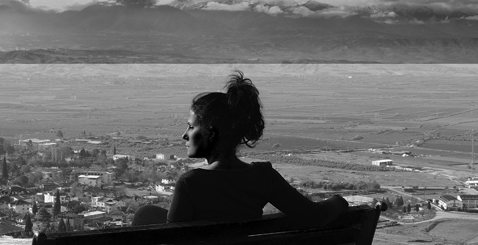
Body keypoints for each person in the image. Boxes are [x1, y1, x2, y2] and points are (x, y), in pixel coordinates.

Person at [133, 71, 347, 227]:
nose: (184, 135)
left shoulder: (191, 183)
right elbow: (315, 216)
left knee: (145, 214)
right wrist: (339, 201)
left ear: (210, 133)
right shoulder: (264, 177)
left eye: (191, 127)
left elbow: (173, 241)